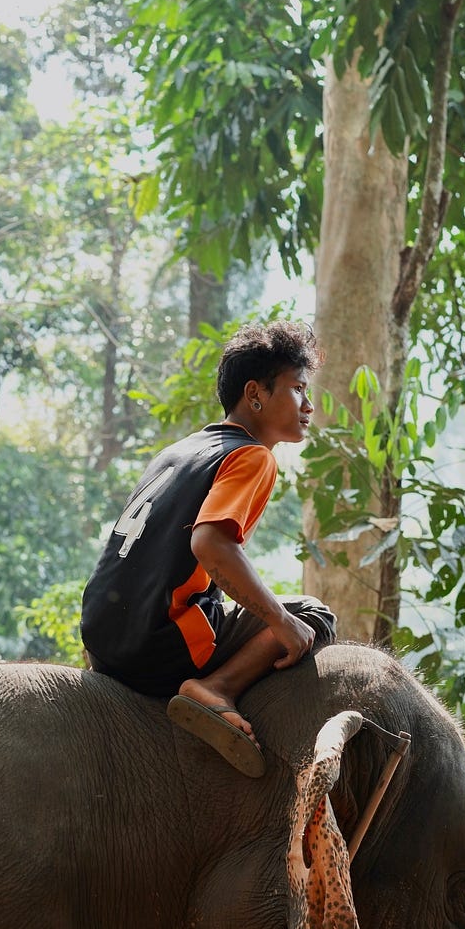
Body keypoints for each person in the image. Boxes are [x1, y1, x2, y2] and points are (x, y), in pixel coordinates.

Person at [80, 320, 337, 777]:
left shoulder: (179, 451)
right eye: (298, 389)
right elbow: (211, 544)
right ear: (255, 393)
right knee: (313, 616)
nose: (309, 406)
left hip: (102, 635)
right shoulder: (252, 456)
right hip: (157, 644)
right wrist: (280, 619)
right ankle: (215, 689)